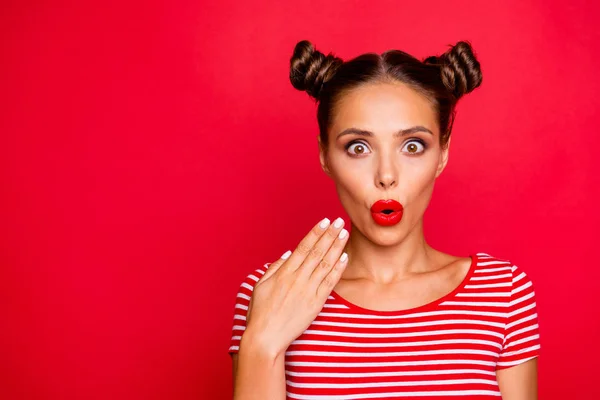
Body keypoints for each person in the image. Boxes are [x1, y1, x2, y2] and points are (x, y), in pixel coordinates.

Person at [228, 40, 540, 399]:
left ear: (443, 153)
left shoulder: (502, 293)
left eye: (413, 146)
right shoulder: (272, 291)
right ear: (325, 155)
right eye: (358, 147)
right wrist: (262, 346)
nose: (386, 175)